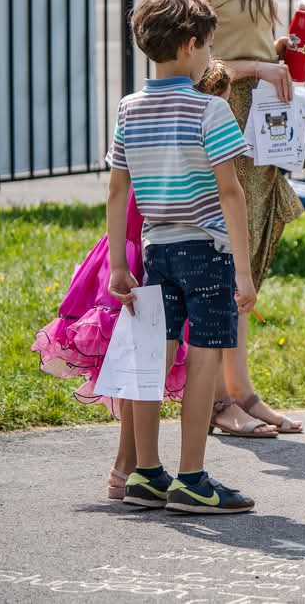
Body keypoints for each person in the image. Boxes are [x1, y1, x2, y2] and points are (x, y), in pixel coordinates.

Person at [32, 60, 232, 500]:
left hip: (142, 245)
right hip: (151, 248)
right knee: (145, 356)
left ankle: (136, 467)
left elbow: (116, 189)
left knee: (143, 357)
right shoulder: (193, 122)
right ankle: (138, 467)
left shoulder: (138, 112)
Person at [165, 0, 305, 438]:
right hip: (226, 114)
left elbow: (233, 39)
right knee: (225, 258)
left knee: (243, 256)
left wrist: (279, 49)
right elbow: (185, 61)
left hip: (260, 116)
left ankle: (240, 391)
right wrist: (256, 65)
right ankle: (221, 400)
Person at [107, 0, 255, 512]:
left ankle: (145, 474)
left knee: (151, 360)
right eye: (209, 46)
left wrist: (118, 265)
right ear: (192, 44)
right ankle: (192, 479)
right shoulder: (210, 108)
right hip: (207, 250)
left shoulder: (130, 107)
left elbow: (117, 191)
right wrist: (243, 270)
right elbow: (231, 192)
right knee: (204, 362)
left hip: (154, 251)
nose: (211, 56)